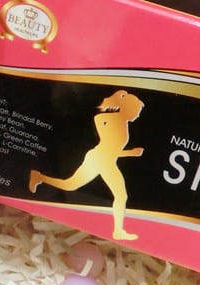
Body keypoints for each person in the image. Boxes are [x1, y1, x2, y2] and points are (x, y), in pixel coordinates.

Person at [29, 89, 144, 240]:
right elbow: (107, 144)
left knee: (75, 186)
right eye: (136, 111)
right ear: (128, 109)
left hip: (105, 160)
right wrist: (131, 153)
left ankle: (39, 177)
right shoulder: (115, 121)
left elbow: (110, 146)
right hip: (99, 159)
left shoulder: (121, 123)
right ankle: (117, 231)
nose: (137, 114)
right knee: (75, 186)